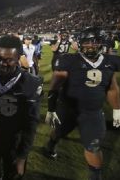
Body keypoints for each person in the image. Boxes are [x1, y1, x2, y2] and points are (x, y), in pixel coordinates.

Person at [44, 27, 120, 180]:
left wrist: (117, 109)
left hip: (93, 113)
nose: (91, 45)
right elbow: (55, 86)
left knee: (93, 146)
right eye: (86, 42)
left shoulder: (109, 61)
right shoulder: (69, 60)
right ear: (80, 43)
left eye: (95, 42)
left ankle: (95, 176)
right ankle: (51, 144)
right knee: (58, 132)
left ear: (101, 43)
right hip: (68, 109)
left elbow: (112, 88)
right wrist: (51, 109)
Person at [0, 35, 42, 180]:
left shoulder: (30, 83)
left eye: (8, 60)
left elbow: (31, 123)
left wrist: (22, 156)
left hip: (15, 141)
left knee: (12, 174)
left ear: (19, 58)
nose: (2, 64)